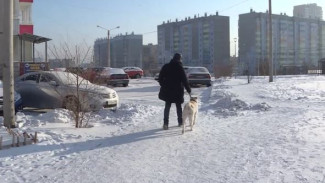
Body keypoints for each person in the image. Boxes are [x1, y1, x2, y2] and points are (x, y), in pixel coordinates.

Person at [158, 53, 191, 130]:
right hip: (178, 91)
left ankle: (165, 124)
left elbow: (160, 78)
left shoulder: (166, 66)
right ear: (179, 59)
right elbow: (184, 80)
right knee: (178, 106)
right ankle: (180, 122)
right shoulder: (180, 68)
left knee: (167, 106)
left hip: (168, 90)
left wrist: (164, 85)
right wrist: (188, 90)